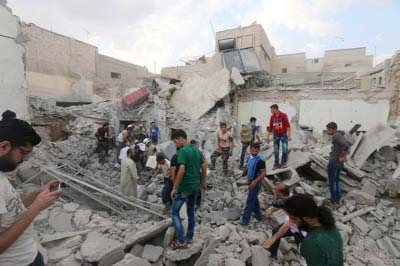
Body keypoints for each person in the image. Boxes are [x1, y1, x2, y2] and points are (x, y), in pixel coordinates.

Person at [0, 119, 62, 266]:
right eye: (23, 152)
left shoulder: (2, 171)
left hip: (29, 255)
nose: (26, 158)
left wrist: (37, 193)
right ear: (4, 147)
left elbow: (11, 207)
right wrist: (36, 209)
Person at [282, 194, 343, 266]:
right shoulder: (332, 229)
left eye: (293, 218)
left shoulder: (310, 242)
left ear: (307, 218)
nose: (290, 221)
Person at [170, 129, 205, 249]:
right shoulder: (196, 150)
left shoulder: (183, 151)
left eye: (175, 142)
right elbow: (204, 165)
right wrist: (203, 181)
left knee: (174, 212)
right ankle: (189, 238)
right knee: (191, 212)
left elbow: (181, 169)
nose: (176, 144)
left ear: (181, 139)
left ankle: (181, 240)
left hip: (184, 187)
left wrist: (175, 187)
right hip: (195, 186)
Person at [262, 183, 306, 259]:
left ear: (280, 193)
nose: (273, 191)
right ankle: (273, 254)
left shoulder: (292, 205)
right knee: (275, 231)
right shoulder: (289, 196)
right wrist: (272, 210)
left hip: (301, 229)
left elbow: (287, 225)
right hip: (293, 226)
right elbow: (282, 203)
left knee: (303, 250)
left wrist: (272, 239)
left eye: (275, 190)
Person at [241, 142, 266, 226]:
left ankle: (245, 220)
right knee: (254, 200)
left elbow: (264, 173)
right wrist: (244, 172)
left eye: (256, 151)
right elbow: (248, 167)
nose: (254, 152)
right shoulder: (249, 158)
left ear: (259, 150)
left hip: (256, 183)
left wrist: (255, 182)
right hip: (250, 182)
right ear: (250, 149)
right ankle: (259, 216)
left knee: (250, 201)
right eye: (253, 150)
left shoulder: (261, 161)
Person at [326, 122, 350, 206]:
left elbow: (346, 146)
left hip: (334, 162)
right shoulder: (340, 135)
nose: (327, 131)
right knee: (336, 181)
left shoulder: (336, 136)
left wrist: (341, 156)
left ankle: (334, 201)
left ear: (333, 129)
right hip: (338, 163)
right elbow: (347, 145)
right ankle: (338, 198)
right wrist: (343, 156)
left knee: (332, 181)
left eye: (328, 129)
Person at [266, 104, 291, 170]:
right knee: (276, 150)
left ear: (275, 109)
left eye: (271, 109)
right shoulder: (272, 117)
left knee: (285, 149)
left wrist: (289, 135)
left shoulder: (284, 115)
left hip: (283, 135)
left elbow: (288, 125)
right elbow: (270, 127)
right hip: (276, 135)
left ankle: (283, 163)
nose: (271, 111)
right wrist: (267, 137)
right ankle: (276, 164)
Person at [190, 140, 207, 210]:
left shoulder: (199, 153)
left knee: (198, 188)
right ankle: (194, 203)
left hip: (197, 173)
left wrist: (204, 180)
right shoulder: (190, 153)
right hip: (192, 174)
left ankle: (197, 203)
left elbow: (204, 164)